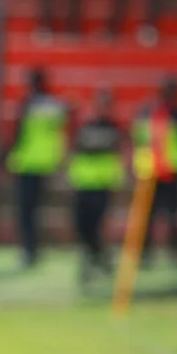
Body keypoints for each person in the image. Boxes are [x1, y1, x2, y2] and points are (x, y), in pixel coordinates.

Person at [5, 67, 70, 269]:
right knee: (38, 210)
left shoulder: (27, 103)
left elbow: (17, 132)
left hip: (27, 162)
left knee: (26, 211)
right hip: (48, 162)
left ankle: (29, 249)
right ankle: (35, 248)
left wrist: (7, 158)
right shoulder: (55, 105)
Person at [132, 75, 177, 267]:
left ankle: (175, 251)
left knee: (173, 215)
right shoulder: (150, 113)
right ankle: (146, 253)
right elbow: (138, 138)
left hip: (171, 171)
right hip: (152, 171)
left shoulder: (176, 114)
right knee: (149, 215)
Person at [67, 88, 125, 286]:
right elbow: (73, 149)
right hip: (83, 183)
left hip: (103, 184)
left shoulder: (114, 128)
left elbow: (121, 155)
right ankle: (96, 257)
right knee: (82, 226)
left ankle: (97, 259)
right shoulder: (84, 126)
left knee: (98, 226)